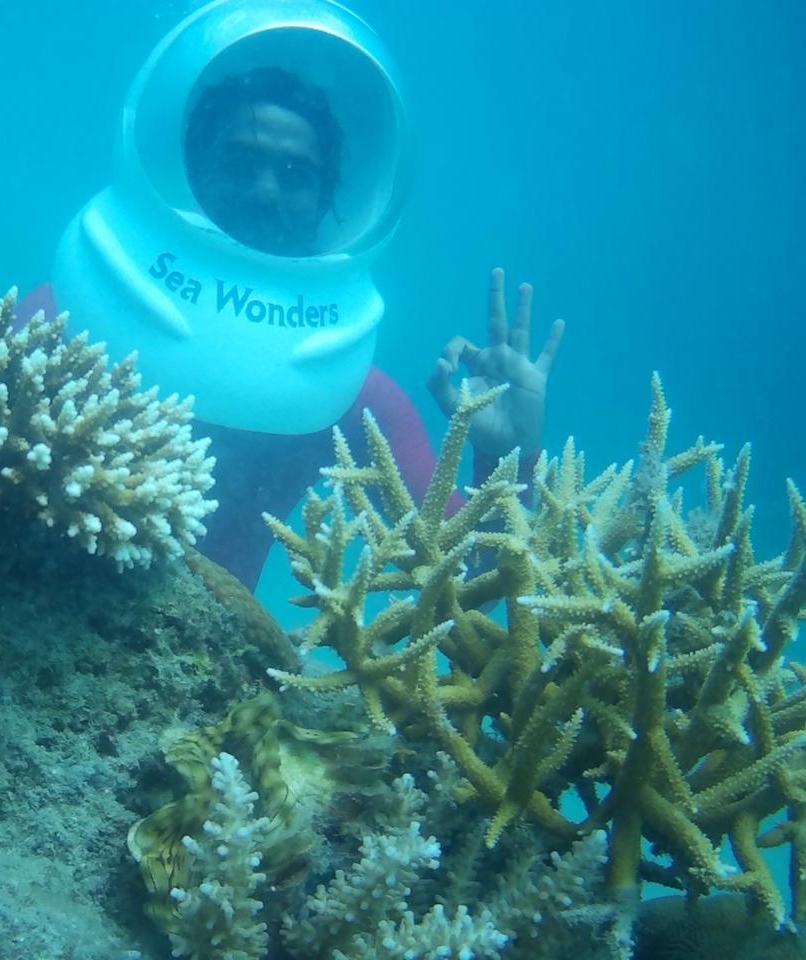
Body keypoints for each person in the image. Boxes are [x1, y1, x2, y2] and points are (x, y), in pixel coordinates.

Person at [28, 3, 564, 590]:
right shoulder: (70, 320)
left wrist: (509, 457)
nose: (265, 189)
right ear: (193, 171)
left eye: (295, 172)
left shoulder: (347, 393)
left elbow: (463, 576)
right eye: (240, 161)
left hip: (211, 670)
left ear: (325, 202)